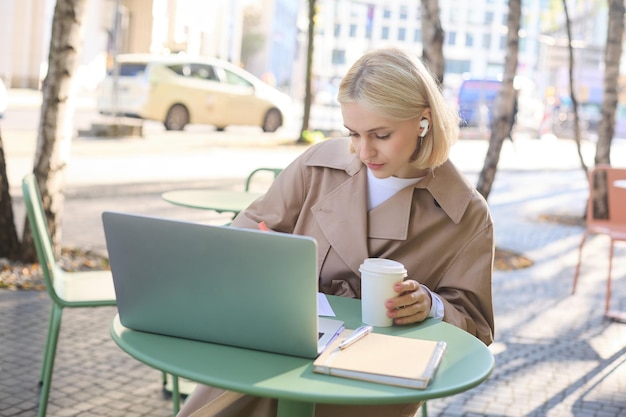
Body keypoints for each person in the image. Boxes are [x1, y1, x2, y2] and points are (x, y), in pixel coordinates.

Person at [177, 47, 494, 417]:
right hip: (279, 347)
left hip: (373, 379)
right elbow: (250, 227)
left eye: (380, 134)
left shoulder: (465, 213)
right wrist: (263, 255)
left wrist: (430, 305)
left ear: (423, 121)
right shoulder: (318, 166)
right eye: (353, 133)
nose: (364, 150)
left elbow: (476, 325)